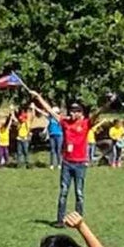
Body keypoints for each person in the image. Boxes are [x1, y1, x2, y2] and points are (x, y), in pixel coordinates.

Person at [28, 88, 91, 224]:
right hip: (67, 163)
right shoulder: (65, 123)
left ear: (81, 113)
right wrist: (38, 97)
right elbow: (50, 111)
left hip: (80, 163)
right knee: (63, 192)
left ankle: (78, 220)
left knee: (79, 193)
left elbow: (98, 113)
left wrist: (108, 103)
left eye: (76, 111)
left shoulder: (85, 124)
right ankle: (60, 220)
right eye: (72, 111)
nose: (73, 113)